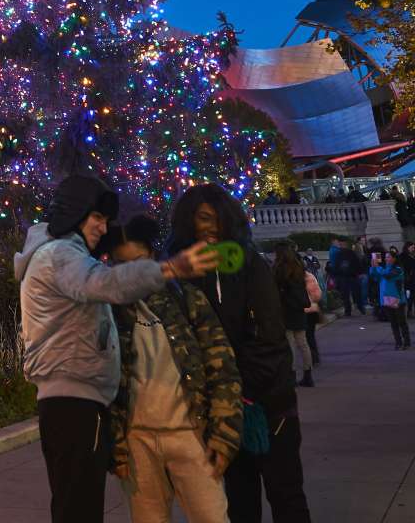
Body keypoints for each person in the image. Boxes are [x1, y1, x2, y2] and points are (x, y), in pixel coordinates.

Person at [13, 174, 220, 523]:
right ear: (76, 213)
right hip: (74, 403)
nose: (102, 226)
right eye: (97, 217)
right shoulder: (61, 253)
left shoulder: (55, 254)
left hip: (72, 402)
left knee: (74, 505)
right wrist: (169, 268)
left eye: (105, 220)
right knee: (79, 509)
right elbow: (105, 283)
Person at [169, 185, 312, 523]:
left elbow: (269, 338)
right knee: (239, 499)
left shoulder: (250, 265)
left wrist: (238, 389)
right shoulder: (180, 275)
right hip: (220, 410)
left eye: (218, 219)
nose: (211, 227)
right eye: (204, 219)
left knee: (286, 493)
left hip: (268, 404)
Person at [107, 215, 242, 523]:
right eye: (121, 266)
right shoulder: (110, 310)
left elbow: (222, 366)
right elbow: (104, 383)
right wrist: (116, 446)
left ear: (153, 257)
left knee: (211, 516)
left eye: (139, 262)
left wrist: (224, 434)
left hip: (190, 435)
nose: (132, 274)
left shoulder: (185, 298)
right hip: (137, 441)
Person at [272, 244, 314, 387]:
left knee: (290, 344)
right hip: (298, 308)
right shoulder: (298, 267)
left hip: (286, 309)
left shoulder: (280, 269)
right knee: (302, 343)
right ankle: (308, 374)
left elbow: (275, 288)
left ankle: (292, 374)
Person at [370, 250, 411, 350]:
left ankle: (407, 342)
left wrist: (377, 267)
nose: (386, 259)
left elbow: (388, 276)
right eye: (386, 257)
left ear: (394, 258)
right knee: (393, 323)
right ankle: (398, 342)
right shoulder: (384, 269)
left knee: (402, 322)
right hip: (387, 300)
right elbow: (374, 276)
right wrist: (373, 267)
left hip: (398, 300)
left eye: (388, 257)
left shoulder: (398, 269)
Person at [302, 260, 322, 366]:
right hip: (312, 310)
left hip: (303, 311)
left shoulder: (295, 278)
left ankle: (311, 359)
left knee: (305, 337)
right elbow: (318, 294)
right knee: (310, 336)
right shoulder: (310, 277)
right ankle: (314, 358)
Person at [400, 241, 415, 319]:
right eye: (412, 247)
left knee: (411, 296)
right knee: (409, 296)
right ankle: (408, 311)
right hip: (408, 280)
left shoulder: (410, 255)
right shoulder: (404, 256)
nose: (413, 249)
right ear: (407, 247)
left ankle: (409, 311)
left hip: (411, 279)